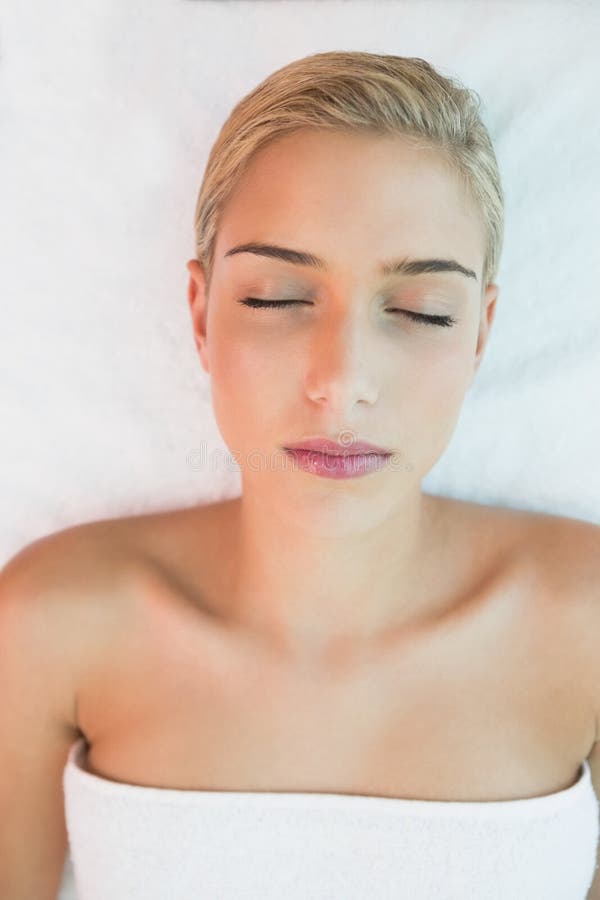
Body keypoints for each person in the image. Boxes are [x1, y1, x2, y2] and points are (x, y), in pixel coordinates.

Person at [2, 50, 599, 900]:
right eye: (279, 298)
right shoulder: (54, 620)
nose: (341, 379)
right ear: (201, 315)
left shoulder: (586, 624)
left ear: (480, 333)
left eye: (422, 311)